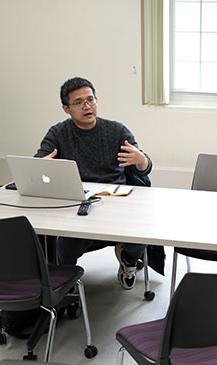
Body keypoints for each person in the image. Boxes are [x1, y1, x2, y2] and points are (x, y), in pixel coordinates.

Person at [35, 77, 152, 290]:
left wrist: (141, 160)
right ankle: (65, 284)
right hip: (79, 203)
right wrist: (42, 166)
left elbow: (143, 167)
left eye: (90, 99)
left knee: (143, 231)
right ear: (66, 108)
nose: (87, 106)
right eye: (79, 102)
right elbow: (39, 164)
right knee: (66, 245)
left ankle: (128, 261)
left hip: (118, 200)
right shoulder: (58, 133)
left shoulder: (117, 130)